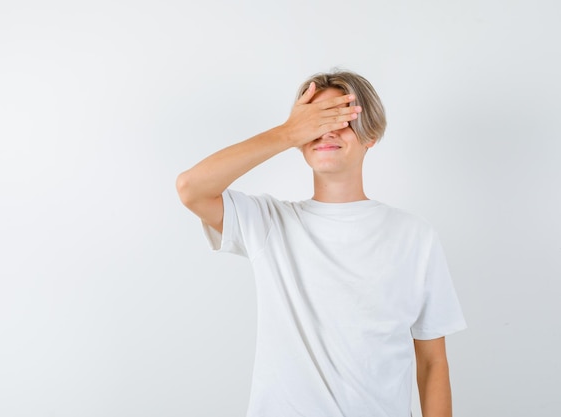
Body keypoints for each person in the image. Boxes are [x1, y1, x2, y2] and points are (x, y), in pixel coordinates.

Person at [176, 69, 467, 417]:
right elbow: (191, 188)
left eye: (341, 118)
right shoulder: (269, 223)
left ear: (370, 134)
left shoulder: (414, 236)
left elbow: (433, 361)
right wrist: (287, 132)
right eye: (314, 120)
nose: (326, 130)